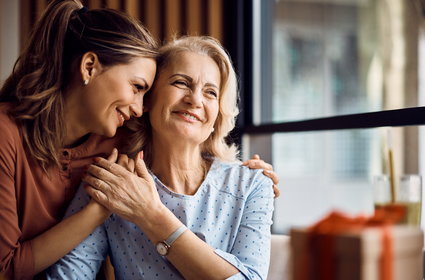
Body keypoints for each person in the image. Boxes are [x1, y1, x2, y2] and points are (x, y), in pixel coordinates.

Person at [0, 1, 279, 279]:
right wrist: (103, 209)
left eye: (211, 92)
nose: (195, 100)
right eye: (180, 82)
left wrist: (151, 214)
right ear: (151, 101)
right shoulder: (112, 174)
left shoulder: (251, 185)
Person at [0, 0, 158, 278]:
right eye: (136, 87)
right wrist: (97, 211)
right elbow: (6, 269)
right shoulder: (5, 135)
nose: (137, 108)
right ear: (89, 67)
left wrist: (248, 173)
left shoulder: (121, 144)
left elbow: (188, 157)